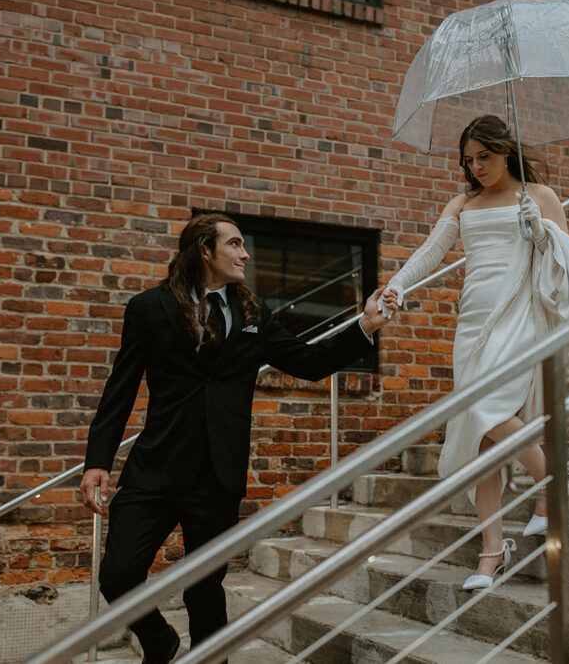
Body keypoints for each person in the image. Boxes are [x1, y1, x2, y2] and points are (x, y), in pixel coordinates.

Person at [80, 211, 392, 663]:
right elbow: (120, 390)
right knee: (118, 574)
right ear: (205, 250)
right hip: (156, 468)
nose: (244, 253)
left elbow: (307, 362)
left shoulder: (253, 313)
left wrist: (366, 326)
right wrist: (97, 461)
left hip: (217, 475)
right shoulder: (148, 308)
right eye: (235, 244)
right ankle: (159, 641)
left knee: (205, 592)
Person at [381, 115, 569, 591]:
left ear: (505, 150)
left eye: (485, 156)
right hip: (473, 322)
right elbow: (430, 252)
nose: (476, 167)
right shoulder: (462, 203)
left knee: (487, 409)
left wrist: (540, 232)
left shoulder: (539, 197)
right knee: (482, 439)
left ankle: (550, 481)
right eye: (469, 160)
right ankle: (491, 553)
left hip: (519, 316)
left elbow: (567, 262)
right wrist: (396, 284)